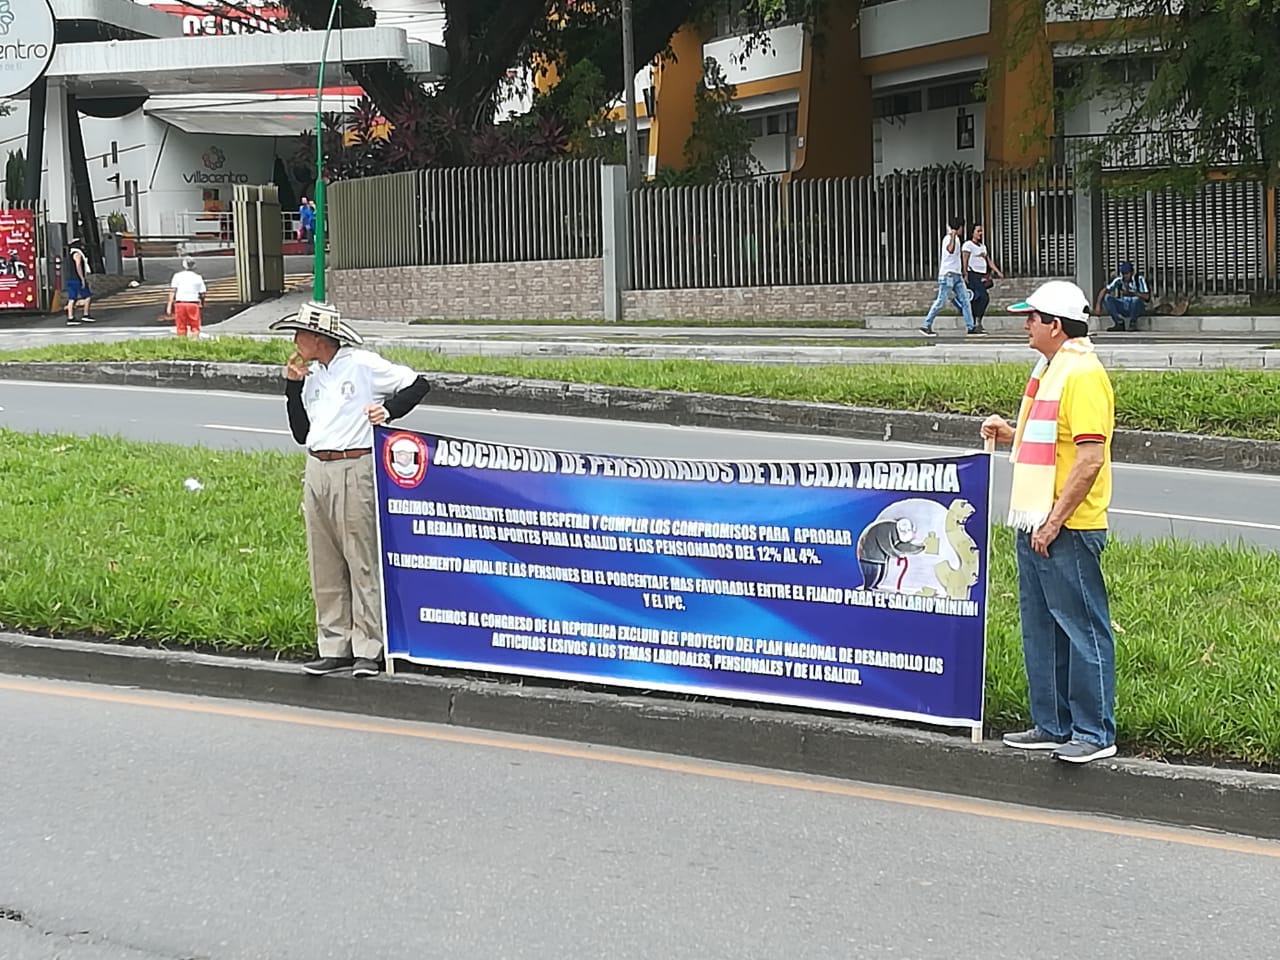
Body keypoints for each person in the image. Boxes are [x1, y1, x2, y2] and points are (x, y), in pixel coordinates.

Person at [980, 280, 1117, 764]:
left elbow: (1089, 458)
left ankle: (1094, 733)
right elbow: (1053, 441)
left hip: (1067, 526)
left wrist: (1054, 522)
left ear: (1055, 325)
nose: (1026, 325)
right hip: (1036, 518)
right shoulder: (1051, 370)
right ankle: (1052, 724)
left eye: (1032, 318)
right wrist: (1011, 432)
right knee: (1041, 627)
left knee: (1081, 628)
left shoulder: (1082, 375)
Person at [269, 304, 432, 677]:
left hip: (354, 464)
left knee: (360, 557)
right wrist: (293, 387)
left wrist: (388, 411)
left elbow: (417, 384)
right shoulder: (312, 375)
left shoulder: (361, 364)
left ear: (319, 338)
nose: (295, 341)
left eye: (300, 334)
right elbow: (301, 432)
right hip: (318, 467)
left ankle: (369, 647)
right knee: (323, 560)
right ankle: (334, 645)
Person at [919, 214, 982, 337]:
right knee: (940, 301)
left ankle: (971, 327)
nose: (963, 230)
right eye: (962, 227)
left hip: (956, 275)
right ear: (959, 227)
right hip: (948, 275)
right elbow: (950, 250)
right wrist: (952, 235)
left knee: (965, 300)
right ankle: (926, 325)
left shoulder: (957, 239)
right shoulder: (948, 239)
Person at [856, 517, 925, 590]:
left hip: (880, 557)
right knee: (872, 574)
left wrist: (919, 548)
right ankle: (867, 588)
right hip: (868, 556)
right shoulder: (885, 529)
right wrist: (897, 555)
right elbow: (886, 546)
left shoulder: (897, 532)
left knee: (881, 575)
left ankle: (873, 587)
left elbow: (900, 546)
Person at [962, 224, 1004, 328]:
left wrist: (998, 271)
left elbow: (989, 261)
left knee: (978, 298)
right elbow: (965, 260)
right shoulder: (968, 245)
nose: (980, 233)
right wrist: (965, 274)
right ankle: (976, 320)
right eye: (978, 231)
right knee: (983, 297)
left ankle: (976, 320)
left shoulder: (982, 247)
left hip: (982, 275)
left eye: (981, 231)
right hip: (973, 274)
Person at [1095, 261, 1150, 332]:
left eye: (1127, 274)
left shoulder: (1139, 279)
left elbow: (1147, 296)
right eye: (1123, 274)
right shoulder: (1119, 280)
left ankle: (1133, 323)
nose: (1125, 276)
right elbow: (1104, 290)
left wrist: (1133, 293)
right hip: (1124, 304)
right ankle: (1119, 322)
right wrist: (1098, 305)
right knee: (1107, 298)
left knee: (1135, 300)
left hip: (1136, 306)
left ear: (1131, 273)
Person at [166, 257, 208, 338]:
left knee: (181, 326)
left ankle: (182, 342)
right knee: (195, 326)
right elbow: (202, 293)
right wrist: (202, 303)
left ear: (183, 265)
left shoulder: (177, 276)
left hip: (180, 303)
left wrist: (169, 305)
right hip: (193, 303)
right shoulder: (198, 277)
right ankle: (194, 341)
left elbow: (173, 291)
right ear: (194, 266)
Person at [65, 238, 94, 326]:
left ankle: (70, 317)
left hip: (69, 279)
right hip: (76, 279)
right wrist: (82, 278)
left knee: (72, 298)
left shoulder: (70, 254)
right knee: (87, 296)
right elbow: (78, 266)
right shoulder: (77, 254)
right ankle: (86, 314)